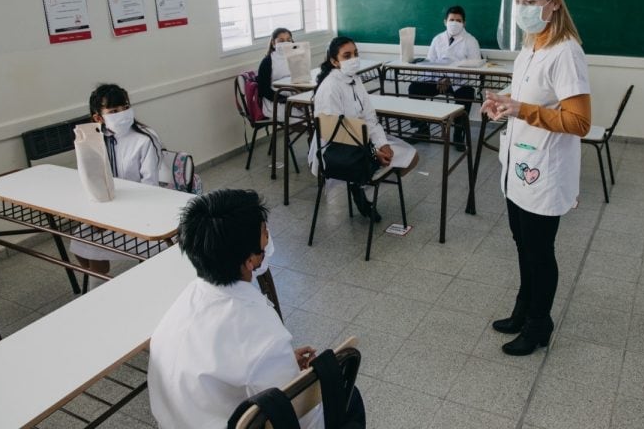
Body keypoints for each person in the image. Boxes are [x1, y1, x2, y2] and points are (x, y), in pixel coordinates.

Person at [148, 189, 365, 429]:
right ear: (251, 260)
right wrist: (296, 376)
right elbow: (301, 418)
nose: (269, 236)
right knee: (348, 397)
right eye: (264, 232)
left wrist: (280, 365)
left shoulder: (178, 310)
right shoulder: (263, 334)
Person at [481, 0, 591, 356]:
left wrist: (521, 110)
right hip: (520, 165)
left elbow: (580, 122)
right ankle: (523, 308)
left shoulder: (566, 53)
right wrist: (503, 105)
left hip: (545, 171)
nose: (523, 8)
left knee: (540, 252)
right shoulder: (532, 46)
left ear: (555, 2)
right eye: (518, 0)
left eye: (532, 0)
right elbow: (526, 103)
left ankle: (538, 325)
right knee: (522, 243)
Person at [311, 36, 419, 221]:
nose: (354, 59)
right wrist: (372, 151)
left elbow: (369, 117)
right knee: (385, 163)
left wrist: (381, 144)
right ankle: (359, 184)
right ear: (334, 61)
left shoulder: (354, 79)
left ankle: (358, 184)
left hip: (361, 141)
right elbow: (336, 134)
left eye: (355, 54)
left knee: (412, 158)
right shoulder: (330, 87)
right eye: (347, 56)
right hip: (337, 151)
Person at [70, 83, 162, 290]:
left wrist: (115, 216)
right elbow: (91, 179)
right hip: (108, 207)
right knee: (77, 240)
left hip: (142, 210)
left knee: (93, 245)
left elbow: (151, 187)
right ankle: (101, 284)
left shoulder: (145, 138)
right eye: (113, 111)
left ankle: (98, 289)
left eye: (125, 107)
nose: (122, 114)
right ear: (98, 118)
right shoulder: (93, 139)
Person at [408, 5, 482, 149]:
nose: (455, 23)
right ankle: (422, 130)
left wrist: (451, 80)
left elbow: (474, 67)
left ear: (464, 23)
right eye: (452, 19)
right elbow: (429, 63)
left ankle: (458, 134)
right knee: (415, 88)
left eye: (458, 20)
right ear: (445, 21)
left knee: (467, 93)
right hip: (438, 81)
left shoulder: (471, 41)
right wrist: (440, 78)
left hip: (460, 82)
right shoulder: (437, 39)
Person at [256, 27, 304, 121]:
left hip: (295, 97)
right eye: (281, 41)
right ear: (274, 43)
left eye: (288, 40)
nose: (285, 43)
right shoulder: (267, 61)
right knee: (300, 118)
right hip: (275, 101)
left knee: (314, 113)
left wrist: (300, 98)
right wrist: (288, 101)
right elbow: (264, 90)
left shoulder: (295, 57)